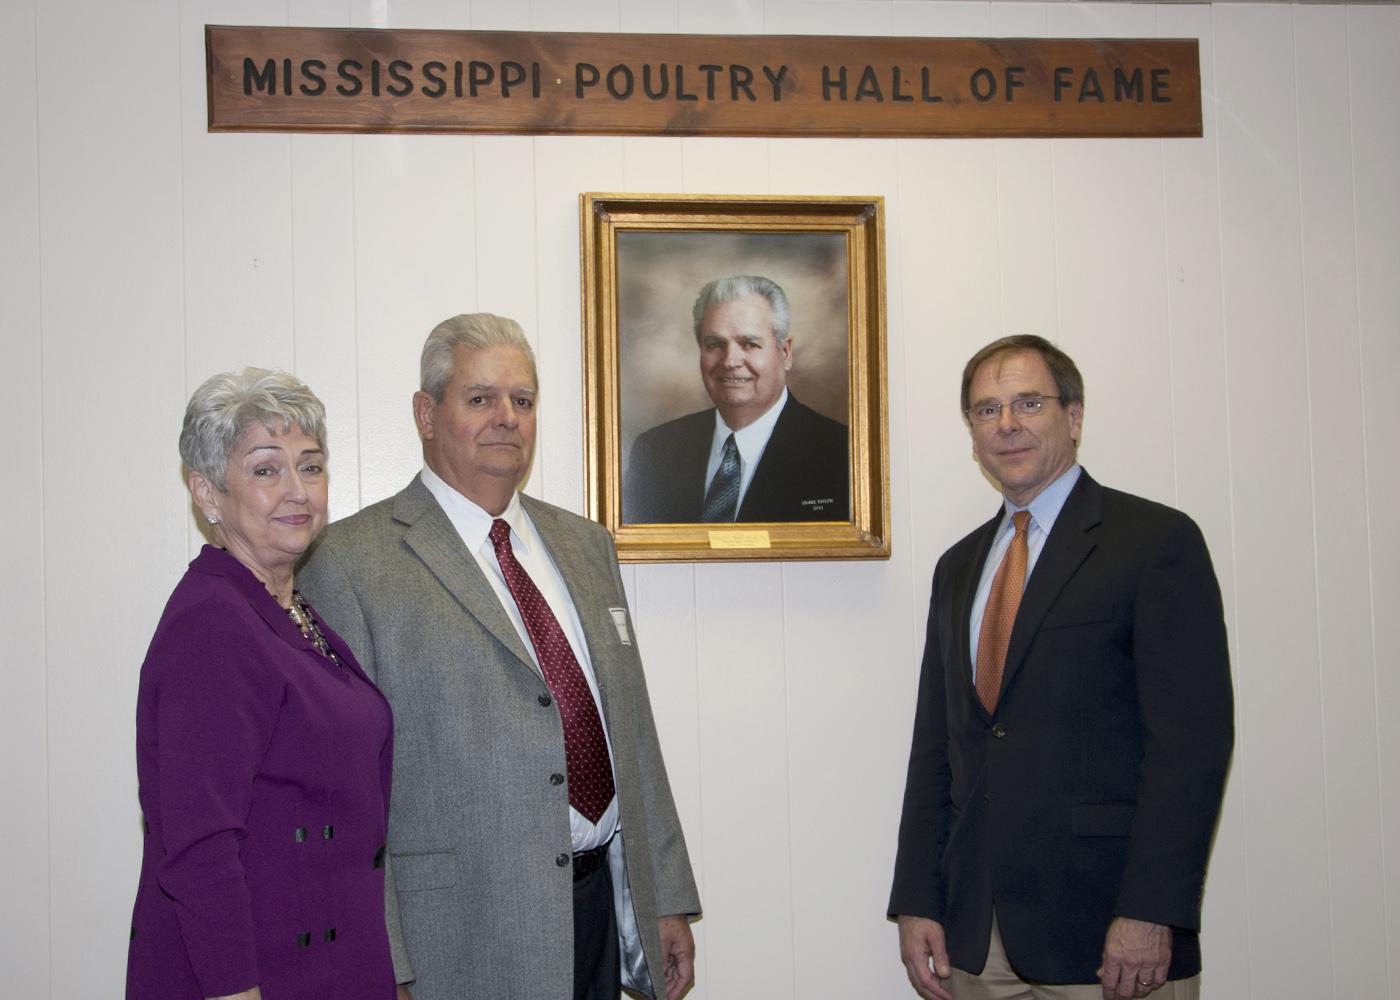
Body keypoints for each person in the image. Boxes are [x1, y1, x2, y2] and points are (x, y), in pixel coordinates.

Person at [298, 313, 701, 1000]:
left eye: (523, 399)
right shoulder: (350, 563)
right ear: (427, 413)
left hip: (597, 907)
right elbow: (344, 791)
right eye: (480, 398)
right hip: (455, 934)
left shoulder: (585, 546)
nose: (506, 417)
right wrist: (382, 959)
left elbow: (631, 729)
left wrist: (663, 893)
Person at [888, 335, 1234, 1000]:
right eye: (985, 411)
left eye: (1029, 402)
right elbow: (936, 747)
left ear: (1073, 417)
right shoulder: (959, 568)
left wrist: (1151, 910)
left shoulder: (1155, 543)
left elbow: (1192, 746)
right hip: (976, 933)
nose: (1007, 424)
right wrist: (916, 898)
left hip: (1110, 936)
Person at [126, 369, 396, 1000]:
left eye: (312, 465)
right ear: (207, 491)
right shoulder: (213, 625)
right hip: (254, 980)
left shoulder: (283, 607)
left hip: (328, 963)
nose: (298, 491)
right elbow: (200, 850)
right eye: (267, 469)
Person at [623, 274, 849, 524]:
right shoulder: (656, 451)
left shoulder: (841, 454)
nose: (730, 361)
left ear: (785, 353)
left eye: (749, 344)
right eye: (715, 344)